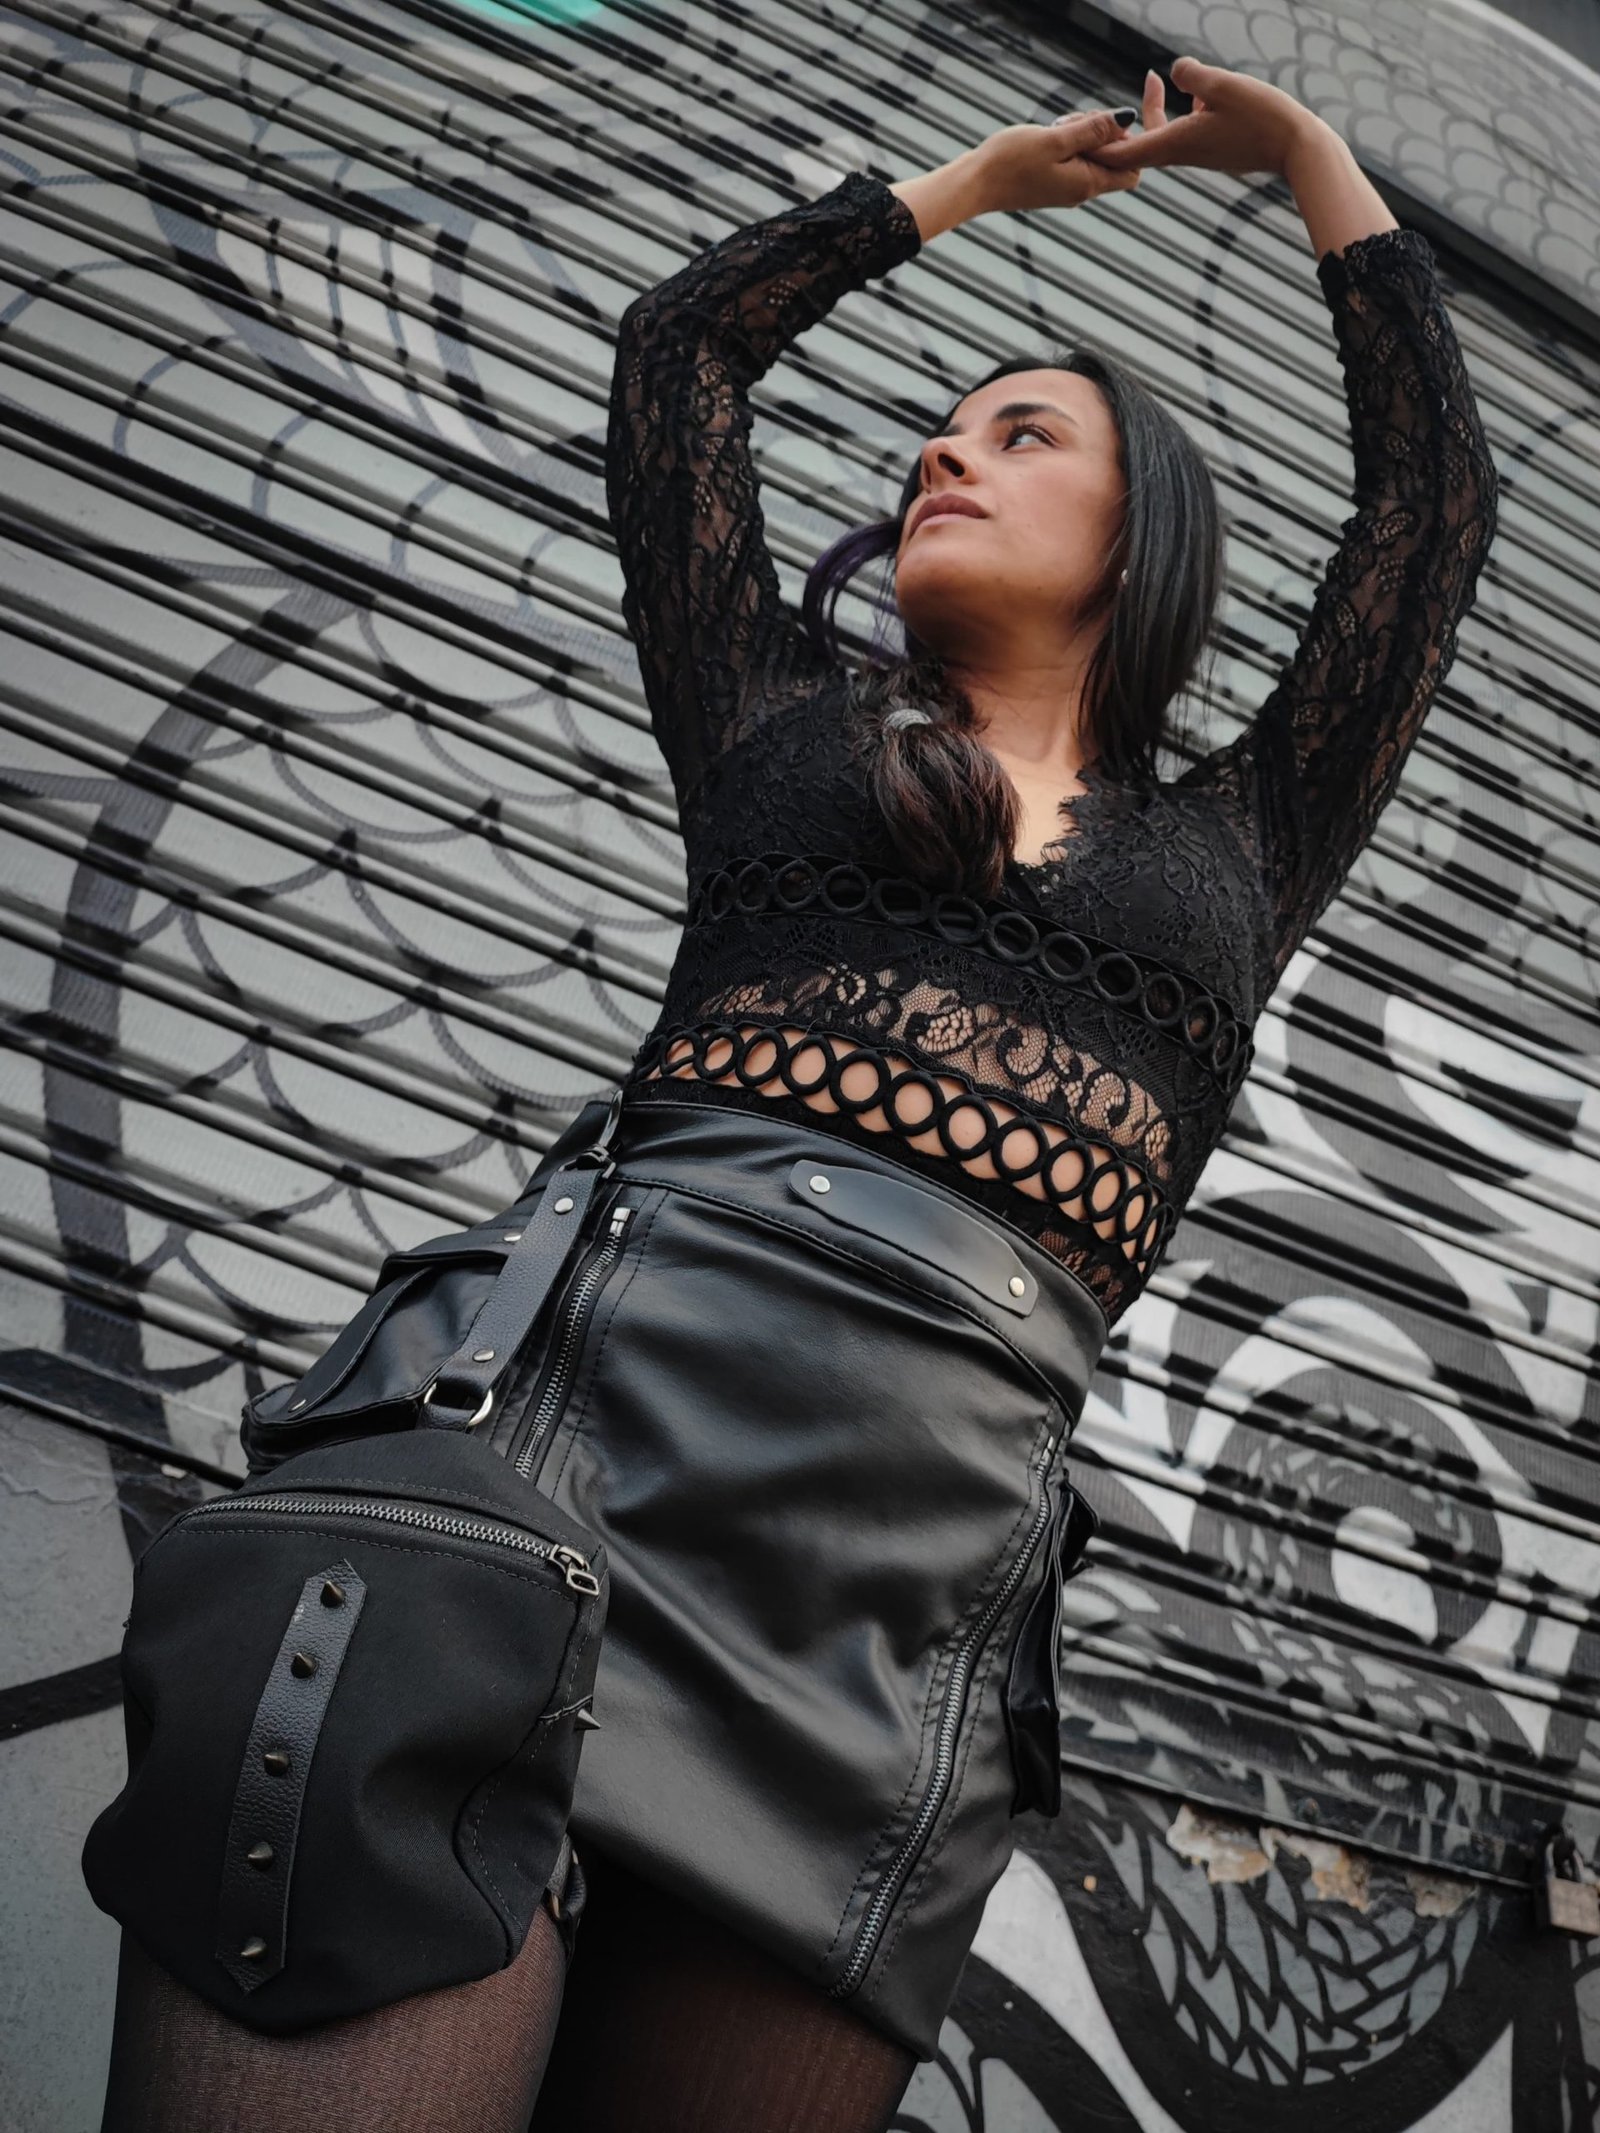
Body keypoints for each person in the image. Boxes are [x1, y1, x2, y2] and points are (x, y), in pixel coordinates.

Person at [95, 56, 1498, 2133]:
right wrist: (968, 185)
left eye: (1021, 434)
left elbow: (1429, 517)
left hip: (886, 1661)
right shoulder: (773, 716)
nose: (946, 454)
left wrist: (1307, 155)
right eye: (940, 431)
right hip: (549, 1496)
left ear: (1145, 537)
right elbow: (678, 358)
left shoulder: (1246, 839)